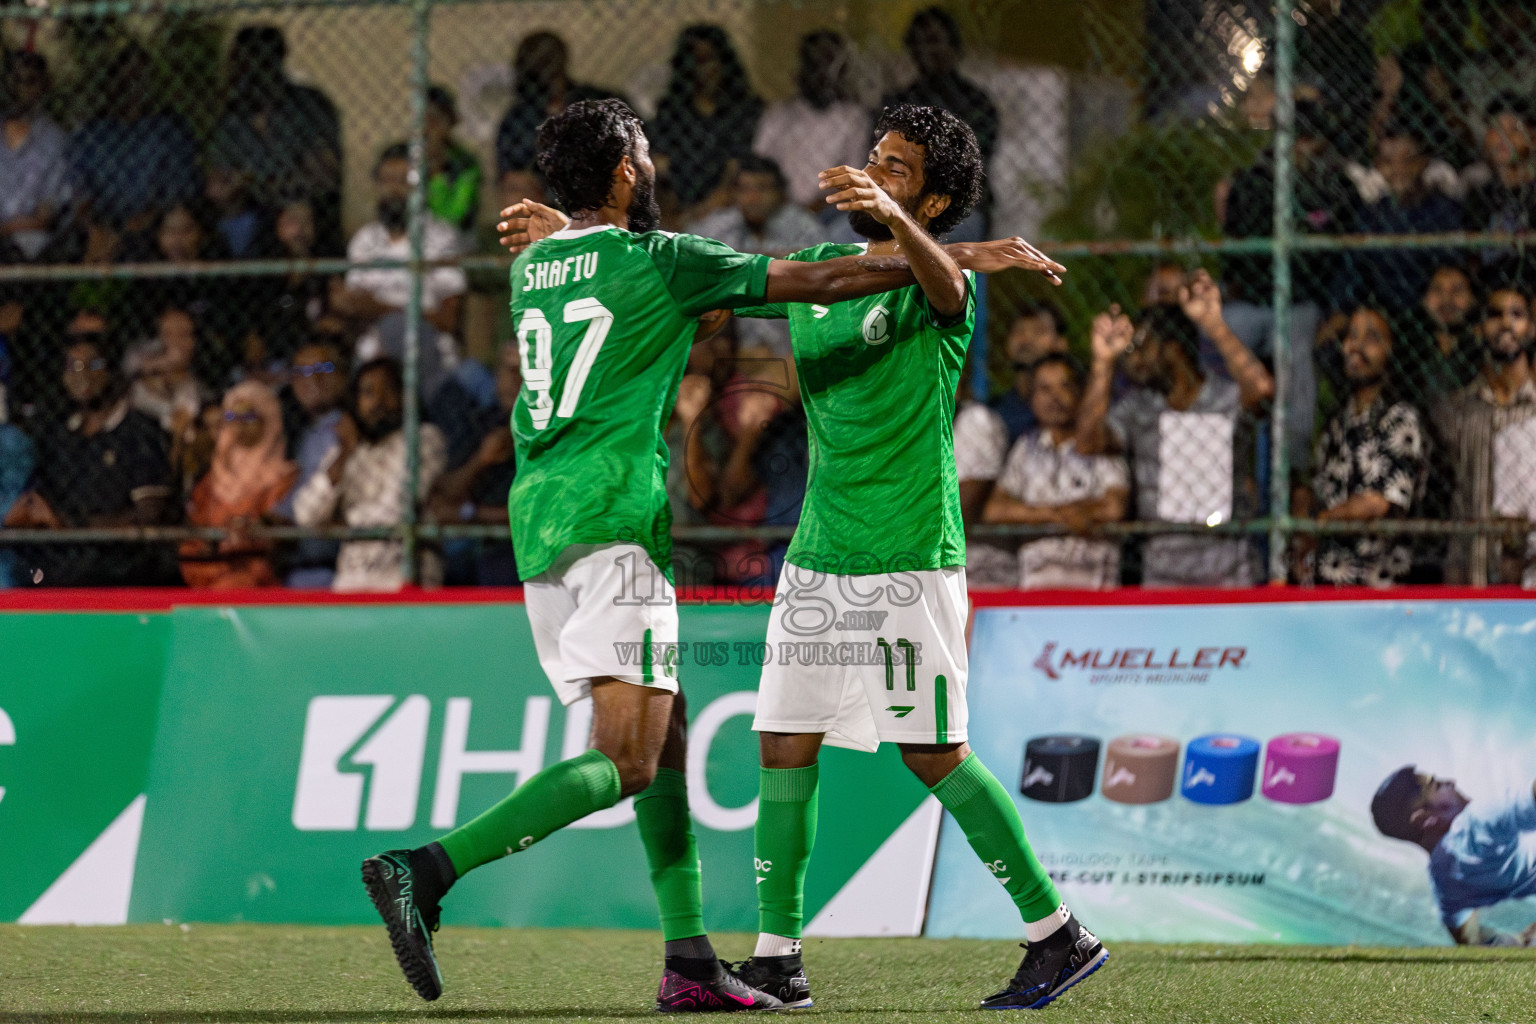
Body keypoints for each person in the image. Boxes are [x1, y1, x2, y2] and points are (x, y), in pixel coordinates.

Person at [377, 97, 1062, 1010]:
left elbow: (914, 282)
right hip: (625, 522)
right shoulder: (680, 261)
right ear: (625, 172)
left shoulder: (538, 264)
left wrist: (949, 248)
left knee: (693, 740)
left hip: (580, 524)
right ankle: (429, 869)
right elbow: (817, 281)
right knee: (634, 755)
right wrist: (966, 242)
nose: (869, 172)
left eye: (895, 170)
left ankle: (701, 957)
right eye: (646, 152)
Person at [719, 105, 1102, 1011]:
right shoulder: (819, 268)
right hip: (818, 550)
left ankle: (1059, 935)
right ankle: (778, 954)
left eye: (895, 169)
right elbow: (739, 274)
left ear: (930, 196)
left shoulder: (944, 294)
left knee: (933, 753)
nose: (870, 171)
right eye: (873, 157)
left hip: (907, 552)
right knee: (782, 739)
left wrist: (925, 235)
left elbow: (940, 280)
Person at [1076, 274, 1275, 588]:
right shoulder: (1137, 407)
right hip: (1162, 567)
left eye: (1141, 347)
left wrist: (1213, 324)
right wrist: (1103, 363)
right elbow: (1088, 442)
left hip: (1228, 562)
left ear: (1174, 347)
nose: (1133, 361)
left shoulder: (1223, 397)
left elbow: (1262, 390)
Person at [5, 333, 173, 585]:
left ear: (114, 371)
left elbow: (147, 517)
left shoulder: (139, 433)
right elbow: (43, 506)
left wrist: (70, 525)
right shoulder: (58, 436)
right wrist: (26, 514)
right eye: (72, 366)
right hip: (60, 572)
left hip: (122, 575)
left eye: (94, 365)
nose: (81, 374)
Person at [291, 357, 447, 591]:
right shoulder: (351, 450)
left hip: (403, 578)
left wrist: (341, 524)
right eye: (368, 393)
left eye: (388, 391)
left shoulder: (424, 438)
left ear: (404, 396)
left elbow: (394, 511)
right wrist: (344, 455)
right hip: (352, 581)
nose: (378, 402)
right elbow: (306, 514)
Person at [1295, 307, 1426, 588]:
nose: (1357, 346)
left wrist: (1320, 522)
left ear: (1391, 352)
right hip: (1327, 581)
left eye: (1372, 338)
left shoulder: (1399, 418)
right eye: (1352, 336)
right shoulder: (1338, 421)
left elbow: (1378, 502)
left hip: (1376, 584)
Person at [984, 354, 1128, 590]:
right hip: (1035, 589)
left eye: (1065, 386)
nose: (1054, 398)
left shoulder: (1100, 444)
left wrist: (1030, 513)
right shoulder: (1026, 447)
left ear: (1081, 394)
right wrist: (1057, 515)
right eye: (1044, 389)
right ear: (1031, 399)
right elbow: (995, 509)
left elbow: (1114, 506)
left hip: (1094, 589)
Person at [1432, 279, 1536, 586]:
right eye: (1495, 314)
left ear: (1531, 329)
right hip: (1473, 579)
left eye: (1517, 314)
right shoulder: (1459, 410)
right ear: (1479, 329)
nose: (1506, 323)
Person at [209, 26, 342, 251]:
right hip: (250, 210)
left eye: (257, 63)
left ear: (275, 63)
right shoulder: (231, 118)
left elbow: (323, 174)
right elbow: (219, 183)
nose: (245, 74)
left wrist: (254, 181)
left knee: (294, 220)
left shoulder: (308, 105)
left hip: (302, 207)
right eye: (239, 65)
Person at [1371, 766, 1536, 946]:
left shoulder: (1444, 884)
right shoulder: (1477, 820)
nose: (1452, 782)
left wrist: (1519, 941)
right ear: (1424, 819)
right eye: (1438, 785)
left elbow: (1470, 940)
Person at [332, 144, 466, 354]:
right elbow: (355, 310)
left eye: (403, 182)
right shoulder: (364, 240)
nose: (393, 190)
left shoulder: (442, 238)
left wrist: (380, 310)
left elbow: (447, 320)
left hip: (428, 351)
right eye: (386, 181)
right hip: (374, 355)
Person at [689, 156, 826, 357]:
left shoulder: (804, 227)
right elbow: (691, 257)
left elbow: (818, 274)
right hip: (731, 345)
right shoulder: (722, 224)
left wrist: (736, 264)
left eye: (762, 189)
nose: (752, 198)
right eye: (744, 189)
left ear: (780, 193)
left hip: (791, 342)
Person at [878, 8, 997, 236]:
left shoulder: (976, 103)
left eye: (934, 41)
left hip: (959, 208)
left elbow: (972, 165)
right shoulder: (899, 102)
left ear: (954, 47)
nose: (926, 50)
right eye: (918, 43)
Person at [179, 381, 297, 588]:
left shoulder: (285, 479)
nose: (239, 424)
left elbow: (280, 543)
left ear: (268, 418)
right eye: (232, 417)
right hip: (210, 583)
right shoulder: (211, 480)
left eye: (249, 416)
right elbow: (193, 544)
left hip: (263, 588)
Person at [752, 31, 870, 216]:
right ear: (802, 67)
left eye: (827, 62)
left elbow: (853, 179)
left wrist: (816, 206)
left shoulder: (853, 118)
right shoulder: (779, 114)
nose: (820, 70)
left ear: (841, 70)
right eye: (813, 62)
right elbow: (758, 165)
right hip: (777, 207)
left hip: (830, 211)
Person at [650, 25, 763, 216]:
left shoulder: (746, 110)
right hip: (677, 210)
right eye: (696, 60)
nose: (703, 69)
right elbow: (660, 168)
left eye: (709, 59)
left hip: (731, 209)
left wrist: (701, 212)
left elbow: (736, 171)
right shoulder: (671, 111)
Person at [274, 338, 346, 588]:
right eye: (301, 372)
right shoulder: (302, 434)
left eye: (323, 369)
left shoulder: (347, 431)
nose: (311, 379)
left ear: (342, 376)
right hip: (300, 569)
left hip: (336, 570)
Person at [494, 32, 613, 180]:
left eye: (547, 60)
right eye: (535, 61)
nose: (543, 69)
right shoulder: (519, 118)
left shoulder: (595, 103)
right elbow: (512, 175)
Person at [0, 51, 68, 261]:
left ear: (44, 87)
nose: (20, 91)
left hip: (30, 239)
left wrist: (6, 229)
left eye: (30, 82)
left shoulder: (54, 139)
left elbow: (44, 218)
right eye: (16, 82)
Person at [991, 300, 1069, 445]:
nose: (1025, 339)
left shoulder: (1077, 408)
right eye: (1018, 331)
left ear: (1061, 343)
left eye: (1038, 331)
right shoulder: (994, 413)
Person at [425, 85, 483, 237]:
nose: (427, 128)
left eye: (434, 121)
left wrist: (437, 176)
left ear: (450, 122)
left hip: (456, 237)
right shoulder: (406, 157)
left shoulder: (465, 163)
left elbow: (456, 215)